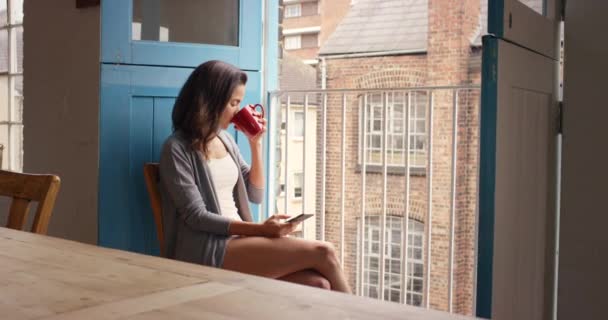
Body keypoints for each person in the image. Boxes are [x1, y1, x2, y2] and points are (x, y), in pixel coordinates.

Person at [159, 60, 351, 293]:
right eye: (233, 103)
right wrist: (261, 229)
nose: (238, 111)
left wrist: (255, 144)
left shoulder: (224, 139)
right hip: (207, 248)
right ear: (208, 101)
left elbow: (255, 194)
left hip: (239, 241)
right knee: (325, 252)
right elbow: (197, 217)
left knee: (319, 284)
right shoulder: (176, 149)